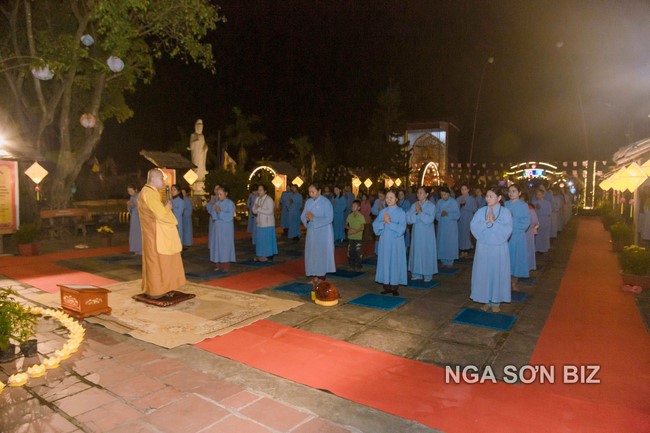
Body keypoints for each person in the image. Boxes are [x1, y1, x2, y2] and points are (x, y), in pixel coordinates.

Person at [137, 169, 186, 298]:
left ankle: (157, 289)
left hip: (151, 232)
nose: (164, 182)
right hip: (156, 234)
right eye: (161, 179)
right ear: (153, 179)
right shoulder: (150, 193)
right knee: (157, 262)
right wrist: (168, 207)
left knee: (154, 261)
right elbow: (161, 215)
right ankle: (156, 290)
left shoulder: (146, 191)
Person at [470, 186, 513, 313]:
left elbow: (507, 230)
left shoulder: (505, 212)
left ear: (499, 198)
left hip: (499, 248)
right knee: (484, 272)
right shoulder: (481, 211)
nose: (487, 199)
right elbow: (473, 226)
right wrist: (485, 223)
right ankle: (485, 299)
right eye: (487, 196)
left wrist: (494, 222)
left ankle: (496, 301)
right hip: (483, 247)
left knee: (497, 272)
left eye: (491, 196)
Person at [301, 183, 336, 291]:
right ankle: (314, 276)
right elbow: (303, 215)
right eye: (309, 192)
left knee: (321, 254)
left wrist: (314, 219)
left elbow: (329, 218)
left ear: (319, 191)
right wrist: (307, 219)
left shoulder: (326, 202)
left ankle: (321, 277)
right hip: (311, 232)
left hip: (323, 232)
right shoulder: (308, 202)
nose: (311, 194)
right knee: (312, 253)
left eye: (313, 192)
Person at [372, 190, 407, 296]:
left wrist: (389, 223)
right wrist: (383, 222)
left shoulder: (401, 212)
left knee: (395, 262)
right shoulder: (383, 212)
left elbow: (402, 229)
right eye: (387, 198)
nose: (389, 200)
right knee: (385, 261)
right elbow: (375, 226)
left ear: (396, 199)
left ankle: (394, 286)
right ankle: (386, 285)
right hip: (384, 241)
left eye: (391, 198)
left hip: (396, 242)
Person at [406, 187, 438, 281]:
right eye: (418, 193)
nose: (418, 194)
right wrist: (416, 214)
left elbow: (430, 219)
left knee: (426, 252)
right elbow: (408, 218)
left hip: (427, 234)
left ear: (427, 194)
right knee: (416, 251)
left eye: (421, 193)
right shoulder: (414, 205)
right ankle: (416, 273)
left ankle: (427, 274)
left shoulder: (431, 206)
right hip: (416, 233)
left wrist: (420, 212)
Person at [505, 184, 531, 291]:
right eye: (509, 191)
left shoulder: (523, 205)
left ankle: (514, 282)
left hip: (517, 235)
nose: (511, 193)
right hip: (505, 236)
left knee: (516, 259)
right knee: (506, 259)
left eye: (514, 191)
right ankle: (505, 282)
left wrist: (512, 219)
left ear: (519, 193)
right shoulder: (505, 204)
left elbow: (526, 222)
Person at [206, 186, 236, 271]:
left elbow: (230, 216)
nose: (219, 196)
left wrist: (220, 212)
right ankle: (218, 263)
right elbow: (213, 215)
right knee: (217, 245)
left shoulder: (230, 203)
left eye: (221, 194)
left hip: (226, 229)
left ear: (226, 193)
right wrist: (216, 212)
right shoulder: (217, 203)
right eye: (218, 194)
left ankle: (225, 264)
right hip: (217, 228)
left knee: (225, 246)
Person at [435, 186, 460, 267]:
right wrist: (440, 214)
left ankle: (450, 261)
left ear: (448, 194)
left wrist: (448, 214)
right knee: (442, 243)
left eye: (445, 195)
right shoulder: (439, 202)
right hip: (442, 226)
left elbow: (457, 215)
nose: (443, 196)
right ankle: (443, 260)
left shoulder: (453, 202)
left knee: (450, 243)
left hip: (451, 227)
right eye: (442, 195)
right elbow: (436, 214)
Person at [252, 184, 277, 262]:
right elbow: (254, 210)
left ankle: (269, 256)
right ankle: (261, 255)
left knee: (267, 241)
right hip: (260, 224)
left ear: (265, 191)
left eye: (261, 190)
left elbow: (270, 211)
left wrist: (259, 209)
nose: (259, 191)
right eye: (258, 190)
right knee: (260, 241)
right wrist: (257, 209)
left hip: (268, 224)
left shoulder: (269, 199)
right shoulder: (257, 199)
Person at [457, 184, 478, 258]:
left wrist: (465, 205)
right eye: (462, 189)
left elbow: (475, 209)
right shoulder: (458, 198)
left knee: (467, 234)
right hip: (461, 219)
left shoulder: (472, 199)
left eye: (465, 189)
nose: (463, 191)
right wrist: (460, 205)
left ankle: (467, 250)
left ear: (468, 190)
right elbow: (455, 209)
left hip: (468, 218)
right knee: (461, 233)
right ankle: (461, 250)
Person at [522, 191, 539, 272]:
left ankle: (528, 266)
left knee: (527, 249)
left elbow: (535, 221)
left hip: (528, 232)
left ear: (526, 201)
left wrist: (528, 227)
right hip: (518, 233)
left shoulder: (530, 209)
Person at [346, 199, 365, 269]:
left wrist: (355, 231)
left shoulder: (361, 216)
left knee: (358, 251)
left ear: (359, 208)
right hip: (350, 236)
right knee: (351, 251)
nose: (353, 207)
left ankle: (359, 264)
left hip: (358, 237)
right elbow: (345, 225)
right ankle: (352, 264)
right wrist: (349, 228)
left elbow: (362, 227)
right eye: (352, 206)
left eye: (354, 206)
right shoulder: (349, 215)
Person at [533, 188, 552, 253]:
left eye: (540, 194)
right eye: (537, 194)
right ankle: (538, 248)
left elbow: (549, 212)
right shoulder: (534, 202)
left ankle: (544, 248)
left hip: (545, 220)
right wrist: (536, 209)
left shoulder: (547, 203)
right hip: (537, 220)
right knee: (538, 235)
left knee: (545, 234)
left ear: (543, 195)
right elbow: (532, 212)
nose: (539, 196)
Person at [126, 185, 142, 255]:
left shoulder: (140, 196)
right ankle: (135, 249)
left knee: (139, 233)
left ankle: (141, 250)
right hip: (134, 217)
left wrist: (134, 205)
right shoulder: (132, 197)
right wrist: (129, 206)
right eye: (128, 191)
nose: (130, 193)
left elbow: (141, 206)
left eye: (131, 191)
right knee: (134, 233)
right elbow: (130, 208)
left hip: (139, 217)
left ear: (135, 189)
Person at [206, 184, 220, 250]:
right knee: (212, 233)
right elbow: (208, 208)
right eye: (215, 189)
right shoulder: (213, 198)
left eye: (218, 189)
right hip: (212, 219)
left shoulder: (221, 199)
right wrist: (212, 203)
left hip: (219, 219)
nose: (216, 191)